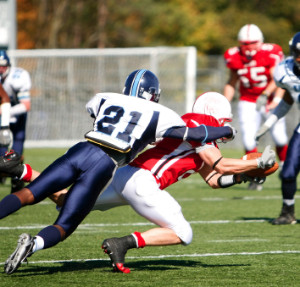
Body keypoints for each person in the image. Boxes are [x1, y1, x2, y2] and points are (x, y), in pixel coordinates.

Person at [0, 92, 276, 274]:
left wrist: (242, 175)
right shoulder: (200, 124)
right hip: (143, 183)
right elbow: (221, 163)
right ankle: (124, 243)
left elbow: (215, 179)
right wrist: (257, 163)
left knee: (64, 200)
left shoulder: (198, 133)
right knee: (183, 233)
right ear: (215, 114)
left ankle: (23, 171)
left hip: (125, 177)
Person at [223, 24, 288, 191]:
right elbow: (232, 81)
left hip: (271, 97)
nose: (249, 47)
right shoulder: (234, 55)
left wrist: (266, 94)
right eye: (245, 43)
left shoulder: (271, 52)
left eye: (252, 43)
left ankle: (286, 168)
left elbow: (278, 79)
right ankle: (254, 174)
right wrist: (223, 104)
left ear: (260, 42)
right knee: (248, 138)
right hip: (248, 99)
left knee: (280, 137)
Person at [255, 32, 300, 225]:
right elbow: (289, 98)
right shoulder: (285, 71)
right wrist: (269, 122)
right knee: (288, 172)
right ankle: (287, 212)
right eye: (298, 53)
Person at [0, 50, 31, 193]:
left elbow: (26, 105)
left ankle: (17, 179)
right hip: (2, 115)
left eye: (2, 66)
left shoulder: (18, 77)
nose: (0, 70)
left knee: (16, 151)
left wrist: (6, 111)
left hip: (16, 114)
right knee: (1, 151)